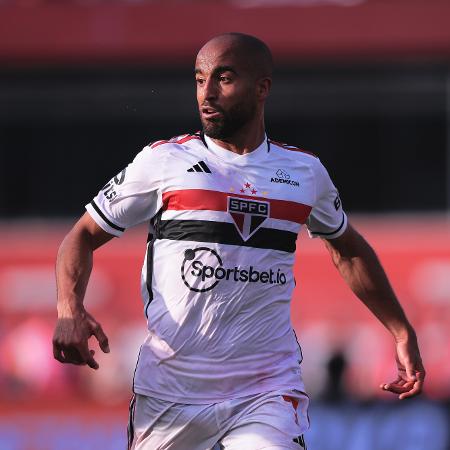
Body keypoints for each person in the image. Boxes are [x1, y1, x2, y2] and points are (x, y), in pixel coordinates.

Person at [53, 33, 425, 450]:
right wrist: (69, 307)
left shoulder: (303, 173)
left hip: (265, 391)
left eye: (224, 79)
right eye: (199, 79)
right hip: (171, 393)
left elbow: (348, 248)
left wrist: (399, 330)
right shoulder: (164, 162)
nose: (206, 93)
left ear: (262, 88)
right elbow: (82, 235)